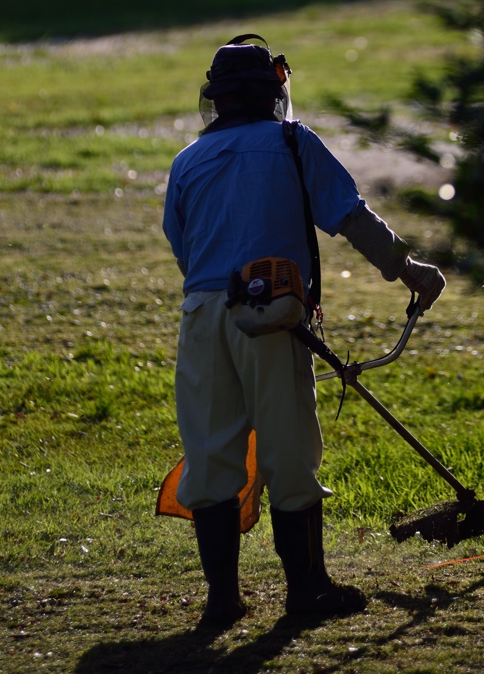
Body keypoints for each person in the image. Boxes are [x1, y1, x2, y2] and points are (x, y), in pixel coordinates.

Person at [162, 35, 445, 624]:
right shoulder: (293, 142)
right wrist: (407, 270)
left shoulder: (187, 160)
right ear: (273, 92)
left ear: (216, 98)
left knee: (212, 459)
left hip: (204, 316)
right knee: (289, 455)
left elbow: (183, 248)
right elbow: (349, 215)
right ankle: (307, 590)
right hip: (274, 315)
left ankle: (222, 601)